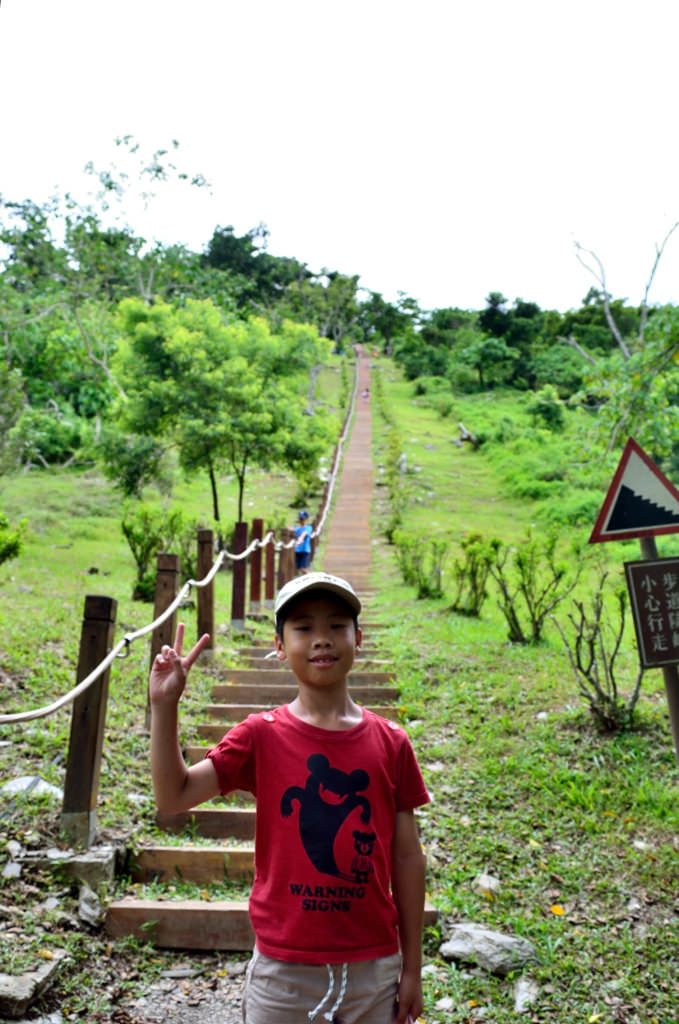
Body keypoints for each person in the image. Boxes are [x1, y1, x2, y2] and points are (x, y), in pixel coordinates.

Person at [149, 571, 430, 1024]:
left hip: (374, 969)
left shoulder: (391, 743)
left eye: (336, 625)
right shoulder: (260, 736)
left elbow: (407, 857)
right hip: (282, 974)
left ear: (358, 638)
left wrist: (412, 967)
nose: (322, 639)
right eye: (303, 627)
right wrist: (164, 707)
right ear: (279, 646)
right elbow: (173, 796)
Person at [293, 509, 313, 574]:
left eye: (303, 518)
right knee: (298, 568)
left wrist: (301, 539)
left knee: (303, 568)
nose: (301, 519)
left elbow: (304, 534)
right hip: (297, 550)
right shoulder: (296, 528)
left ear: (306, 519)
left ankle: (311, 577)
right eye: (300, 518)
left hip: (304, 550)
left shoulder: (308, 527)